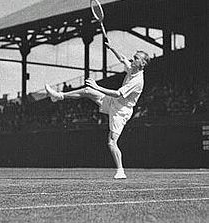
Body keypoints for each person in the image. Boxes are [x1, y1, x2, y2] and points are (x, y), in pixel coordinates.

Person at [45, 40, 150, 179]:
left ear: (142, 64)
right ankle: (58, 96)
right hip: (113, 102)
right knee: (87, 91)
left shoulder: (138, 81)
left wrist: (97, 86)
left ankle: (120, 171)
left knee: (112, 142)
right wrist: (112, 47)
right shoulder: (132, 68)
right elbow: (122, 58)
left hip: (121, 111)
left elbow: (118, 93)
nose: (133, 59)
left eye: (136, 58)